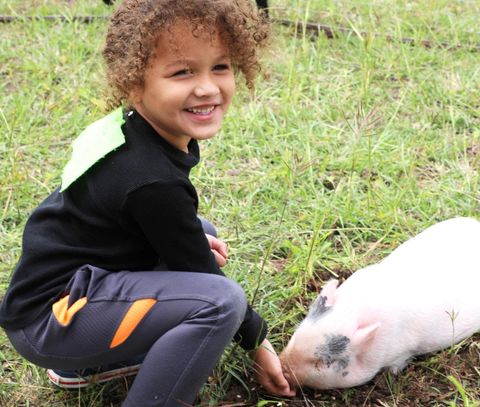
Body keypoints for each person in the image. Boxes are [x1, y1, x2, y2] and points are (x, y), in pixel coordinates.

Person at [0, 0, 296, 405]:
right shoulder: (149, 178)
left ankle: (91, 363)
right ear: (134, 83)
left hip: (60, 293)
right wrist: (257, 342)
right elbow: (200, 270)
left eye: (221, 67)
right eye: (182, 72)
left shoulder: (129, 128)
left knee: (198, 230)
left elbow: (123, 224)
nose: (208, 86)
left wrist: (187, 237)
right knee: (221, 302)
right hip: (52, 322)